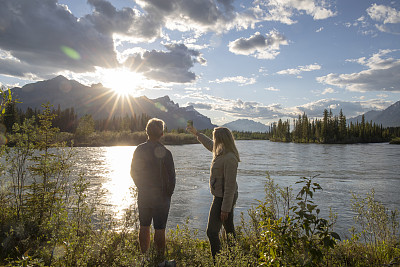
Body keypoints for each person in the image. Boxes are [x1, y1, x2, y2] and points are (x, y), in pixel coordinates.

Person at [187, 125, 240, 258]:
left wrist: (225, 209)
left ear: (221, 139)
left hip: (223, 198)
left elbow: (230, 186)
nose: (214, 141)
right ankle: (234, 257)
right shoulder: (221, 151)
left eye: (215, 138)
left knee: (211, 232)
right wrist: (196, 133)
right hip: (223, 196)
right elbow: (210, 145)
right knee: (229, 228)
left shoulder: (230, 158)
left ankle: (219, 261)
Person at [130, 118, 176, 266]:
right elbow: (172, 177)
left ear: (147, 132)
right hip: (161, 197)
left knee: (144, 226)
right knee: (160, 229)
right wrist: (168, 193)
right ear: (162, 134)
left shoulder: (139, 149)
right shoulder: (166, 153)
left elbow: (133, 172)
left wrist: (141, 187)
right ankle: (160, 262)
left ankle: (144, 258)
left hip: (144, 195)